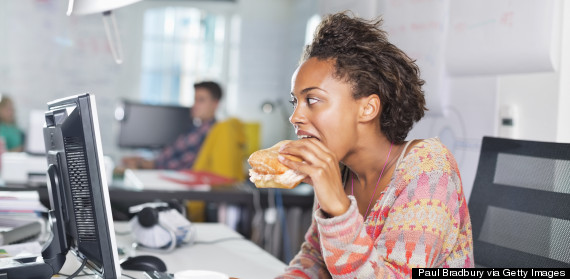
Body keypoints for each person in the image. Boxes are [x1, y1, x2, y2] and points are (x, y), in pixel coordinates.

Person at [275, 12, 473, 278]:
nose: (295, 117)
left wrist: (339, 208)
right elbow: (316, 261)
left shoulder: (429, 170)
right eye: (295, 102)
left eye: (312, 100)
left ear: (367, 108)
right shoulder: (340, 169)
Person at [122, 81, 222, 170]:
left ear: (215, 104)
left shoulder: (208, 132)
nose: (195, 105)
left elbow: (181, 166)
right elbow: (171, 154)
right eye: (195, 99)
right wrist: (143, 161)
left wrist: (143, 164)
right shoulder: (196, 128)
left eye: (201, 100)